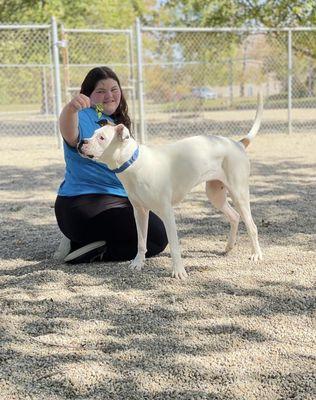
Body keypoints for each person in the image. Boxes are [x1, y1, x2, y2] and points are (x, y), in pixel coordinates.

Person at [55, 66, 168, 263]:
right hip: (83, 205)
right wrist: (71, 108)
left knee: (156, 229)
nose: (109, 95)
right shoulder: (84, 115)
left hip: (113, 200)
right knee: (156, 239)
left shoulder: (107, 119)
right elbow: (71, 134)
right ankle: (87, 250)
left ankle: (87, 240)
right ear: (88, 95)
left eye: (114, 89)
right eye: (100, 91)